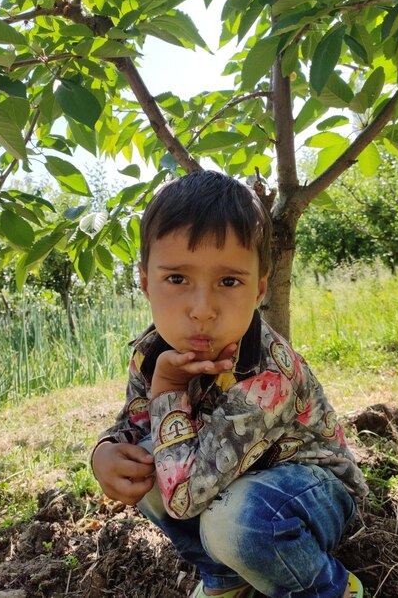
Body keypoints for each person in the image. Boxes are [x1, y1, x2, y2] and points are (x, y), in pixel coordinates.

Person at [91, 171, 368, 598]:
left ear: (259, 290)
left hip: (308, 494)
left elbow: (184, 495)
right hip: (223, 479)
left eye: (228, 281)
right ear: (145, 282)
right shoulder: (151, 351)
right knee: (143, 461)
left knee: (235, 521)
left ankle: (326, 587)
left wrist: (168, 388)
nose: (202, 310)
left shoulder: (266, 376)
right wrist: (105, 451)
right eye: (178, 279)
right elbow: (136, 422)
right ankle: (227, 579)